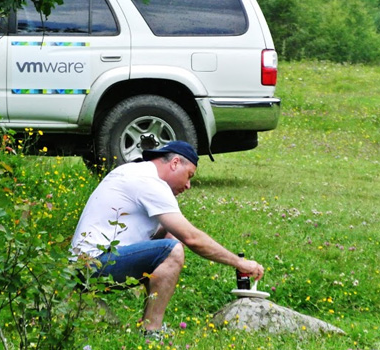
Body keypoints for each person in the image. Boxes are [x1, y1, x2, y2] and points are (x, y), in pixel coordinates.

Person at [70, 141, 264, 337]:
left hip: (85, 265)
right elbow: (192, 238)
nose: (188, 185)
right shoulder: (150, 182)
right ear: (175, 163)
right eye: (189, 176)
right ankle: (151, 332)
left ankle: (145, 323)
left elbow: (165, 233)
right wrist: (239, 263)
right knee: (172, 250)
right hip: (93, 266)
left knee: (170, 239)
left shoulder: (134, 171)